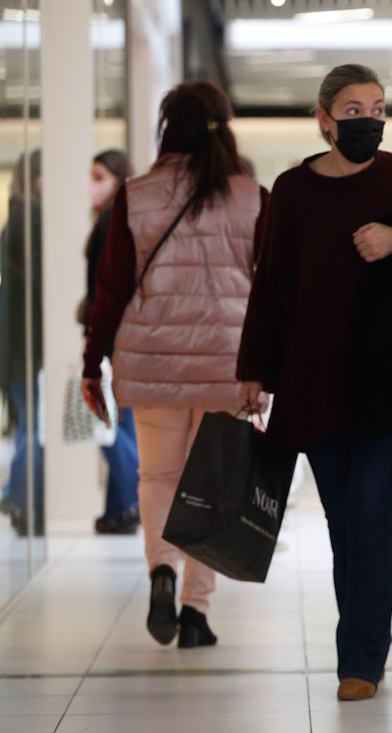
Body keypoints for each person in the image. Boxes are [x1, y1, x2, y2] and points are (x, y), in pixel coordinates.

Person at [237, 64, 392, 702]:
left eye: (376, 106)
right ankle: (365, 646)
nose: (367, 118)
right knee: (345, 520)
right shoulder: (291, 188)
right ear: (323, 118)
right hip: (314, 378)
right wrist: (254, 369)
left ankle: (360, 659)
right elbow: (272, 283)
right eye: (352, 108)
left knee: (370, 510)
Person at [83, 82, 265, 648]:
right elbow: (272, 290)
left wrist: (93, 363)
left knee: (157, 476)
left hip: (151, 358)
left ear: (168, 128)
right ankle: (195, 611)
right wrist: (268, 365)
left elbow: (109, 288)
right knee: (213, 483)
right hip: (227, 363)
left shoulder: (135, 194)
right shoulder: (251, 194)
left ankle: (161, 570)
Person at [82, 149, 141, 535]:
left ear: (119, 178)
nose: (92, 184)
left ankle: (133, 497)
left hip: (113, 338)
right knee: (117, 423)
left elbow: (108, 286)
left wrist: (95, 336)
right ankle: (118, 507)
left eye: (100, 175)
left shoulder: (112, 222)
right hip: (120, 336)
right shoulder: (115, 219)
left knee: (111, 427)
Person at [0, 150, 43, 537]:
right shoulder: (31, 221)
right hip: (29, 348)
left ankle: (16, 496)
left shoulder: (15, 219)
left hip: (16, 347)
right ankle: (22, 500)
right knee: (34, 427)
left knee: (30, 426)